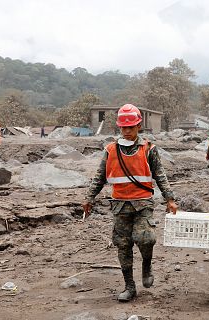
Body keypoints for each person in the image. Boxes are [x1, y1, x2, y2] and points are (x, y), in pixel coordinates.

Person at [82, 104, 178, 302]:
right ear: (119, 127)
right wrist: (89, 198)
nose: (126, 131)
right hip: (120, 206)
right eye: (123, 128)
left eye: (131, 127)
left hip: (143, 204)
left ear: (138, 126)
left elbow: (160, 175)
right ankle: (129, 286)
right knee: (123, 245)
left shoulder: (149, 149)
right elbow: (99, 177)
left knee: (146, 238)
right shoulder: (110, 150)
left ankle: (146, 264)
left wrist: (170, 199)